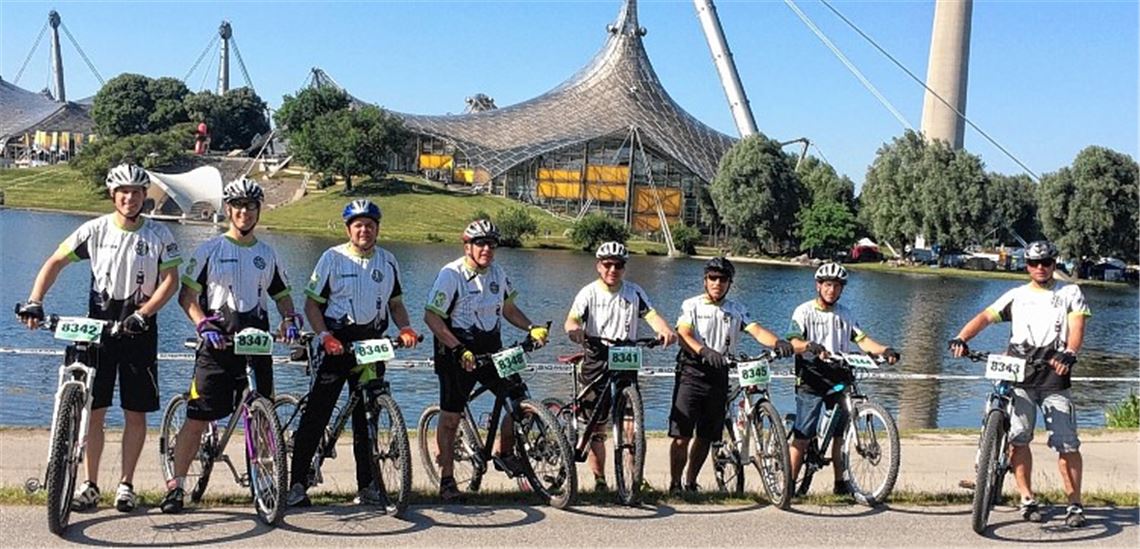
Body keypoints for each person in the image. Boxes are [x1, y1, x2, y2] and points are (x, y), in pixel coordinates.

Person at [16, 163, 182, 513]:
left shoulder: (159, 234)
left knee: (135, 412)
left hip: (139, 330)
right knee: (95, 411)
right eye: (123, 192)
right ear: (112, 194)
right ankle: (90, 485)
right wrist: (35, 300)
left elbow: (171, 281)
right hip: (99, 330)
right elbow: (55, 262)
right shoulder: (95, 230)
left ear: (144, 196)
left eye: (136, 192)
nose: (129, 198)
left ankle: (126, 485)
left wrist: (143, 313)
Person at [160, 177, 301, 514]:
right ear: (228, 209)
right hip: (217, 347)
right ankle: (177, 486)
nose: (244, 212)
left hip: (256, 348)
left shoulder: (267, 254)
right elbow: (187, 296)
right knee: (198, 418)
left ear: (258, 211)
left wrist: (289, 320)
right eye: (238, 206)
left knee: (263, 419)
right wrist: (202, 324)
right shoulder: (209, 250)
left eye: (250, 206)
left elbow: (282, 296)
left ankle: (265, 483)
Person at [286, 199, 420, 508]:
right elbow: (311, 305)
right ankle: (297, 484)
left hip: (371, 346)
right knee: (318, 413)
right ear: (349, 229)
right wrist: (325, 336)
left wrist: (406, 328)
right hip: (336, 344)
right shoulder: (331, 258)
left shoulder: (388, 261)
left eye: (370, 225)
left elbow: (396, 304)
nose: (364, 230)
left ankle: (368, 485)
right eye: (358, 225)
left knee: (367, 416)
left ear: (377, 229)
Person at [949, 240, 1090, 527]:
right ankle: (1027, 498)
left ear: (1054, 264)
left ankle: (1074, 504)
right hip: (1018, 373)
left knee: (1067, 444)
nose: (1040, 268)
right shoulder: (1017, 295)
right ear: (1027, 266)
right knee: (1018, 438)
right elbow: (985, 317)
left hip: (1054, 375)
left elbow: (1077, 328)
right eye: (1034, 263)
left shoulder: (1070, 292)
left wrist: (1070, 352)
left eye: (1046, 262)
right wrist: (962, 338)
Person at [423, 219, 549, 502]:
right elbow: (431, 317)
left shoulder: (498, 273)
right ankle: (447, 479)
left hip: (492, 350)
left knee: (519, 399)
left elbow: (509, 309)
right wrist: (458, 349)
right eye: (480, 243)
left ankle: (504, 452)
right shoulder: (451, 275)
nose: (487, 249)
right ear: (467, 246)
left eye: (491, 244)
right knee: (451, 417)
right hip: (456, 353)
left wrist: (532, 327)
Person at [669, 257, 794, 494]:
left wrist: (777, 342)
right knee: (681, 435)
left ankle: (691, 482)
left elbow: (756, 330)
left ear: (729, 283)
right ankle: (675, 484)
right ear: (705, 280)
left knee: (706, 435)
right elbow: (684, 333)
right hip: (692, 372)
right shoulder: (691, 305)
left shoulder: (736, 309)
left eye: (723, 279)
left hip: (720, 372)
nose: (717, 283)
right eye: (713, 278)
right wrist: (703, 351)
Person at [564, 241, 677, 492]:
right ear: (599, 266)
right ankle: (600, 479)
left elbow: (651, 316)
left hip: (625, 357)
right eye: (608, 265)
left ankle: (634, 478)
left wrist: (665, 330)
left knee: (632, 427)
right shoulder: (588, 293)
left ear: (624, 268)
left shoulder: (634, 292)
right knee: (596, 426)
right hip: (597, 357)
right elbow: (571, 320)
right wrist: (575, 330)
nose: (613, 270)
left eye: (618, 265)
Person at [785, 262, 899, 496]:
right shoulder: (803, 311)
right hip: (812, 377)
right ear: (818, 286)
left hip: (839, 375)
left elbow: (862, 340)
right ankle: (788, 486)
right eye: (828, 285)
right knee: (803, 436)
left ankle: (840, 484)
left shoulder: (846, 314)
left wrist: (884, 350)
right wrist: (809, 345)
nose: (832, 290)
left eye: (837, 286)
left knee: (841, 433)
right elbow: (793, 341)